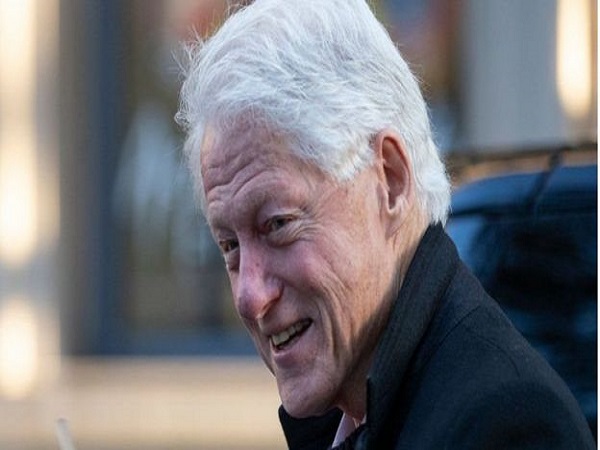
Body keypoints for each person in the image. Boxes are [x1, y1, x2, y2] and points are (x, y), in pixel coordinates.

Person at [176, 0, 595, 448]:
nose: (249, 296)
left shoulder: (504, 424)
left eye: (278, 225)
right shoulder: (355, 411)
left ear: (390, 180)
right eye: (229, 246)